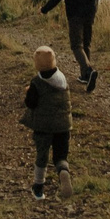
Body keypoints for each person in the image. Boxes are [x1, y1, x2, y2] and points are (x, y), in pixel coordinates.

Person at [19, 44, 73, 198]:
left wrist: (28, 92)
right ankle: (63, 172)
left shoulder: (37, 82)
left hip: (44, 127)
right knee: (60, 156)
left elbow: (31, 103)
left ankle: (38, 188)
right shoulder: (62, 79)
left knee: (42, 155)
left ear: (37, 65)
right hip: (63, 126)